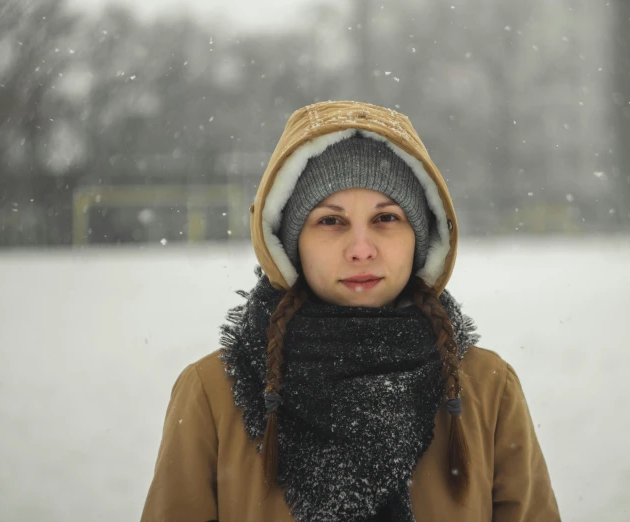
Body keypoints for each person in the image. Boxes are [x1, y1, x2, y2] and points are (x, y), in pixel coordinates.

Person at [140, 101, 561, 522]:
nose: (361, 249)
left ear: (419, 238)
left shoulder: (486, 391)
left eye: (386, 218)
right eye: (330, 222)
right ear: (290, 246)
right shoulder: (215, 393)